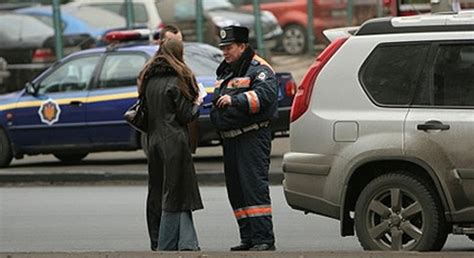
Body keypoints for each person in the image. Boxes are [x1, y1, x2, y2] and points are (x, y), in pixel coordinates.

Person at [210, 25, 278, 251]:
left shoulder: (259, 69)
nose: (225, 52)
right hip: (231, 140)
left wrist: (235, 102)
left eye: (229, 48)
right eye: (223, 48)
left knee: (254, 188)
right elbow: (218, 100)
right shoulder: (226, 70)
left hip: (252, 138)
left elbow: (265, 97)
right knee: (237, 191)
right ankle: (248, 237)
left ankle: (264, 239)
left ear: (242, 46)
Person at [139, 38, 203, 251]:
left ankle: (187, 242)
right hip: (174, 141)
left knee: (160, 192)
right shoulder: (178, 79)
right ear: (179, 53)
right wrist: (198, 102)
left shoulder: (148, 78)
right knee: (175, 195)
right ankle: (165, 245)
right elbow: (186, 115)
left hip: (154, 141)